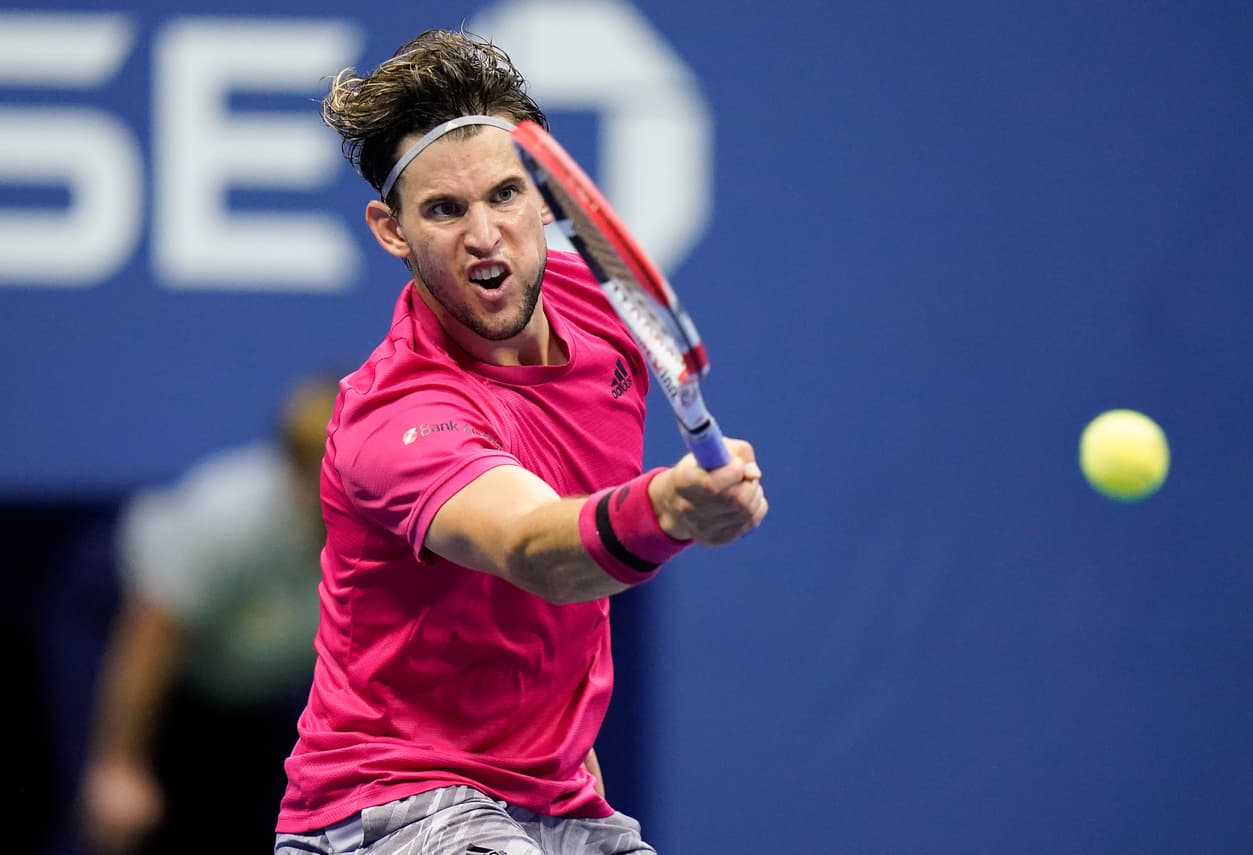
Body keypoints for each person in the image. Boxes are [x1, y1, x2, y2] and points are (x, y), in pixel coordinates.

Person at [274, 28, 768, 855]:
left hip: (553, 797)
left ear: (542, 195)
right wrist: (671, 506)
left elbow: (549, 627)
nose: (485, 235)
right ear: (391, 230)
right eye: (444, 209)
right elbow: (534, 548)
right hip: (386, 803)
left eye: (504, 194)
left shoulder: (608, 315)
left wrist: (562, 761)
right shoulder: (393, 414)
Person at [76, 377, 336, 855]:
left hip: (238, 681)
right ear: (298, 467)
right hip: (120, 626)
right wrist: (118, 766)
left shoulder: (399, 527)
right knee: (112, 815)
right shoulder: (228, 516)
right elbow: (152, 635)